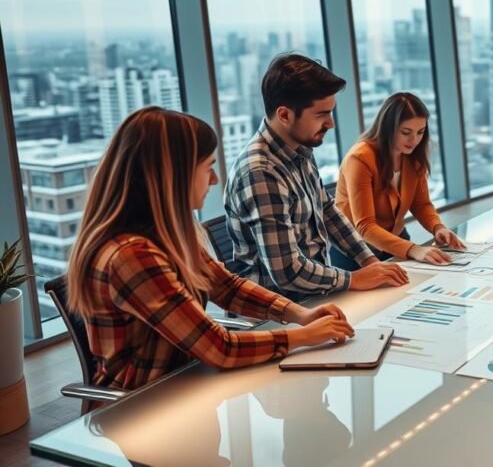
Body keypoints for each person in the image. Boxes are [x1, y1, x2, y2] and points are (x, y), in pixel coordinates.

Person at [66, 107, 356, 391]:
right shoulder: (131, 256)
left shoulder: (168, 233)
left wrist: (300, 314)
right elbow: (220, 349)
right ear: (174, 176)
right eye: (207, 167)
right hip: (139, 409)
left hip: (187, 384)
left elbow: (226, 287)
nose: (215, 180)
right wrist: (301, 337)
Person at [225, 54, 408, 301]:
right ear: (285, 115)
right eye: (321, 114)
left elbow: (327, 209)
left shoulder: (299, 149)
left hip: (314, 296)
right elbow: (287, 272)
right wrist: (353, 279)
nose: (331, 123)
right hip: (278, 311)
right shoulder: (261, 172)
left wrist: (370, 261)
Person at [336, 92, 466, 265]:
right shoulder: (360, 158)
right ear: (388, 128)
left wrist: (438, 227)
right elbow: (365, 226)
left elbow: (421, 204)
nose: (414, 140)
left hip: (396, 238)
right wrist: (414, 249)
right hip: (356, 249)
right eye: (406, 132)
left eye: (420, 132)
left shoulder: (412, 156)